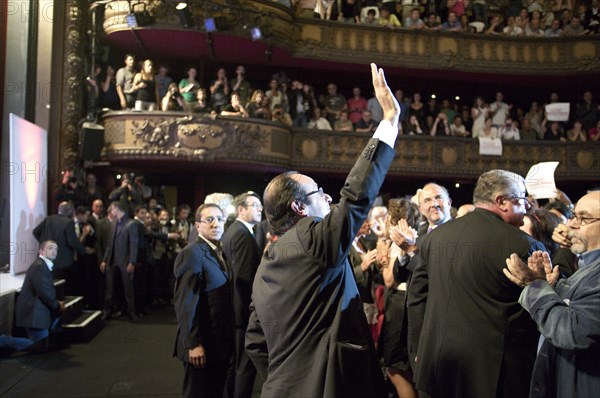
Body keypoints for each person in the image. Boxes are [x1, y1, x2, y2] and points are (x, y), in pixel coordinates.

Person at [245, 63, 399, 397]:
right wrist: (388, 122)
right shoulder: (311, 237)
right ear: (299, 208)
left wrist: (286, 381)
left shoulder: (265, 265)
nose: (327, 197)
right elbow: (356, 197)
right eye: (318, 192)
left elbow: (256, 343)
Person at [407, 169, 546, 398]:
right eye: (522, 200)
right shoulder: (525, 246)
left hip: (438, 366)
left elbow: (417, 298)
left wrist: (418, 348)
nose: (528, 208)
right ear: (501, 202)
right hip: (494, 375)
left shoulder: (434, 238)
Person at [504, 190, 600, 398]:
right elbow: (577, 306)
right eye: (574, 216)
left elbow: (574, 331)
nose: (571, 224)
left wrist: (536, 286)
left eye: (583, 218)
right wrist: (552, 286)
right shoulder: (587, 264)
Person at [173, 204, 234, 398]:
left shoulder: (219, 251)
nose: (216, 224)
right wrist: (193, 344)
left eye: (220, 219)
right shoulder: (191, 253)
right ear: (197, 225)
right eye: (209, 219)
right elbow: (185, 303)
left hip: (218, 343)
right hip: (201, 346)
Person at [221, 192, 263, 398]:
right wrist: (251, 312)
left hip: (235, 310)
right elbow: (244, 279)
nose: (260, 209)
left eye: (260, 206)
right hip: (243, 312)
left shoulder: (234, 231)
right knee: (245, 365)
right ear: (241, 209)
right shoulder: (242, 234)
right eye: (255, 205)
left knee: (236, 363)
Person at [15, 240, 65, 348]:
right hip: (34, 312)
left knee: (41, 345)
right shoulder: (39, 267)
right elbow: (46, 292)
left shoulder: (43, 265)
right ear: (41, 251)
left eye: (56, 249)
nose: (54, 251)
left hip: (37, 311)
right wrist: (57, 305)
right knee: (39, 346)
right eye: (50, 248)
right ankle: (3, 340)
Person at [32, 202, 89, 290]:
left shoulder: (48, 219)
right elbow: (72, 242)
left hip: (45, 261)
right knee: (62, 290)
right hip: (62, 263)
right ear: (71, 212)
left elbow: (35, 232)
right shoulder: (68, 222)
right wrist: (84, 251)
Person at [100, 201, 139, 322]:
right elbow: (109, 244)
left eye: (112, 209)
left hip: (125, 260)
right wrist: (104, 260)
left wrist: (132, 261)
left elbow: (134, 244)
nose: (111, 212)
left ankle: (131, 312)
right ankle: (107, 311)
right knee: (109, 288)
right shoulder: (114, 223)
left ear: (118, 209)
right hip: (112, 260)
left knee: (128, 289)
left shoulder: (131, 224)